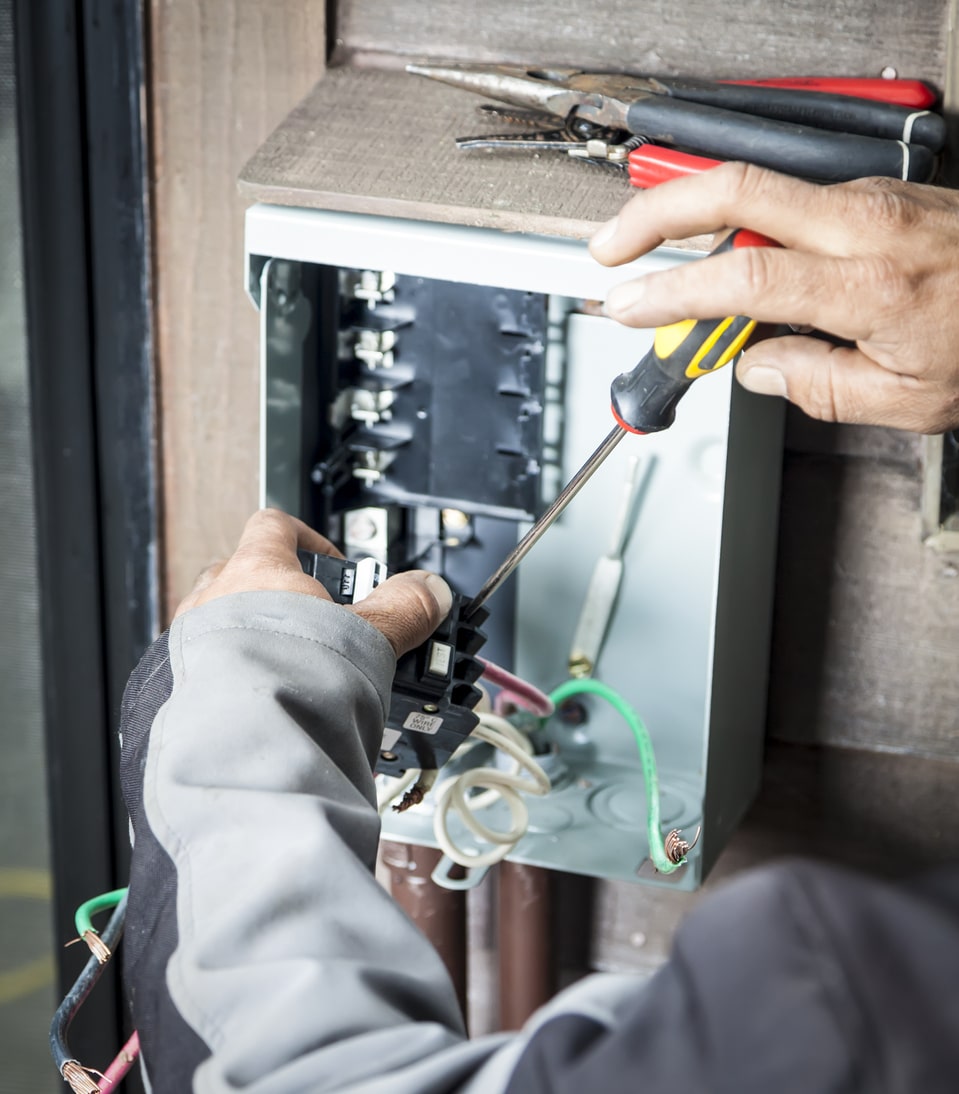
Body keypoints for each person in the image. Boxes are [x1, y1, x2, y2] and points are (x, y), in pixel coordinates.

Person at [121, 166, 959, 1093]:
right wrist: (256, 674)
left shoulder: (837, 1007)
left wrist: (242, 689)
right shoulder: (833, 1011)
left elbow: (276, 1062)